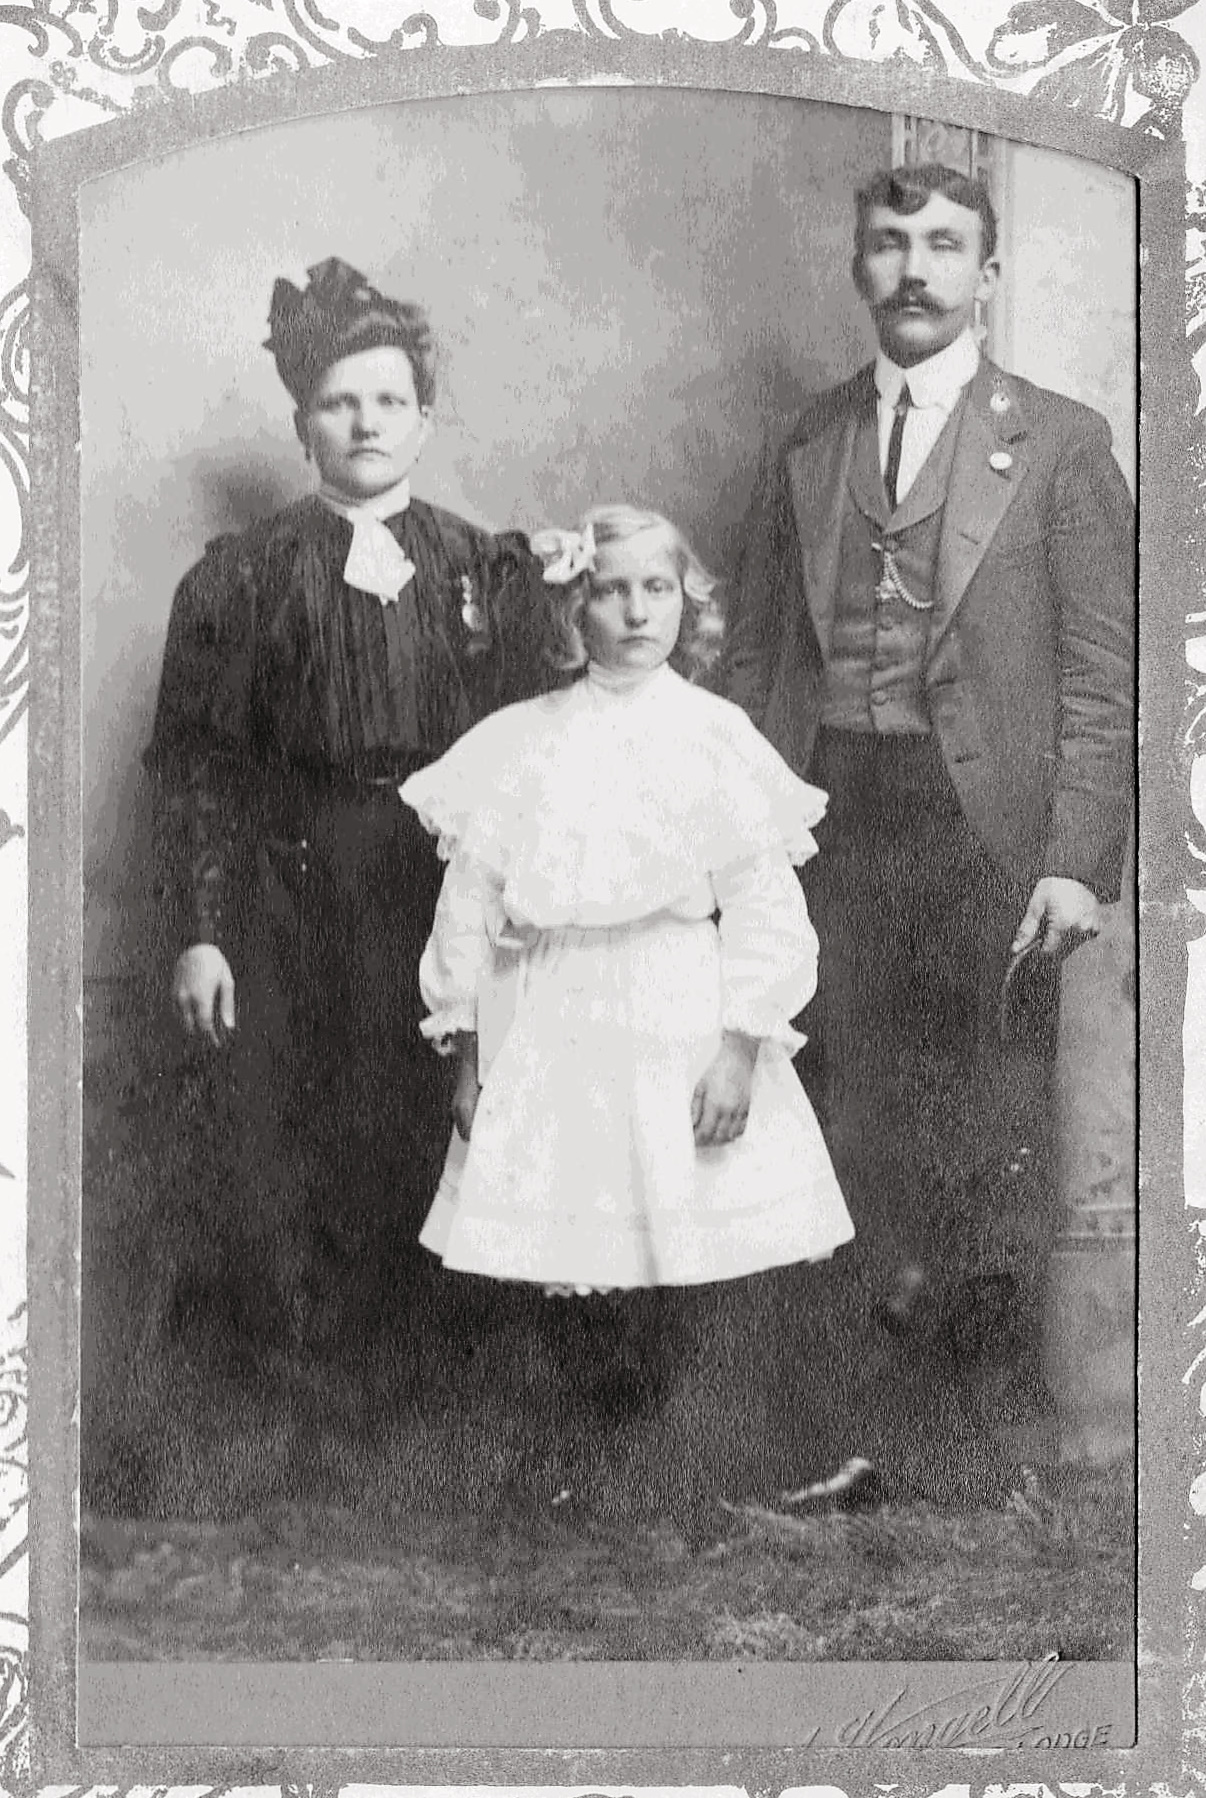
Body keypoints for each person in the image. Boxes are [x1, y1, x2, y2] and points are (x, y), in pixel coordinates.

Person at [721, 163, 1134, 1401]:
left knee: (987, 1126)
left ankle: (977, 1441)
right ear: (860, 267)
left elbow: (1105, 674)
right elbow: (755, 658)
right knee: (831, 1113)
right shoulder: (808, 438)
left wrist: (1075, 861)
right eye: (892, 244)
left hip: (982, 828)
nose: (916, 269)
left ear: (987, 275)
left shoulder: (1061, 442)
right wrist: (734, 838)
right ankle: (846, 1428)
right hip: (826, 817)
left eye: (945, 245)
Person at [398, 504, 853, 1524]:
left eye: (658, 588)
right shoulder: (521, 742)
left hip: (681, 1010)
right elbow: (469, 911)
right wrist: (468, 1054)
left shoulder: (716, 736)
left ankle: (705, 1466)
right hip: (557, 1013)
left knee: (690, 1232)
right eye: (611, 591)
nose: (637, 611)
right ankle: (589, 1476)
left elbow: (766, 906)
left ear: (687, 602)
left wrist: (740, 1047)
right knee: (575, 1242)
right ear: (576, 608)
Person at [144, 258, 554, 1377]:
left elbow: (533, 752)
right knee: (301, 1112)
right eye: (337, 402)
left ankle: (438, 1373)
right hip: (293, 881)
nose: (365, 423)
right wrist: (202, 931)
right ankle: (315, 1374)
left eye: (387, 400)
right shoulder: (241, 579)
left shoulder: (483, 568)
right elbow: (200, 767)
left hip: (443, 882)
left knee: (432, 1102)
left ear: (423, 420)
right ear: (302, 425)